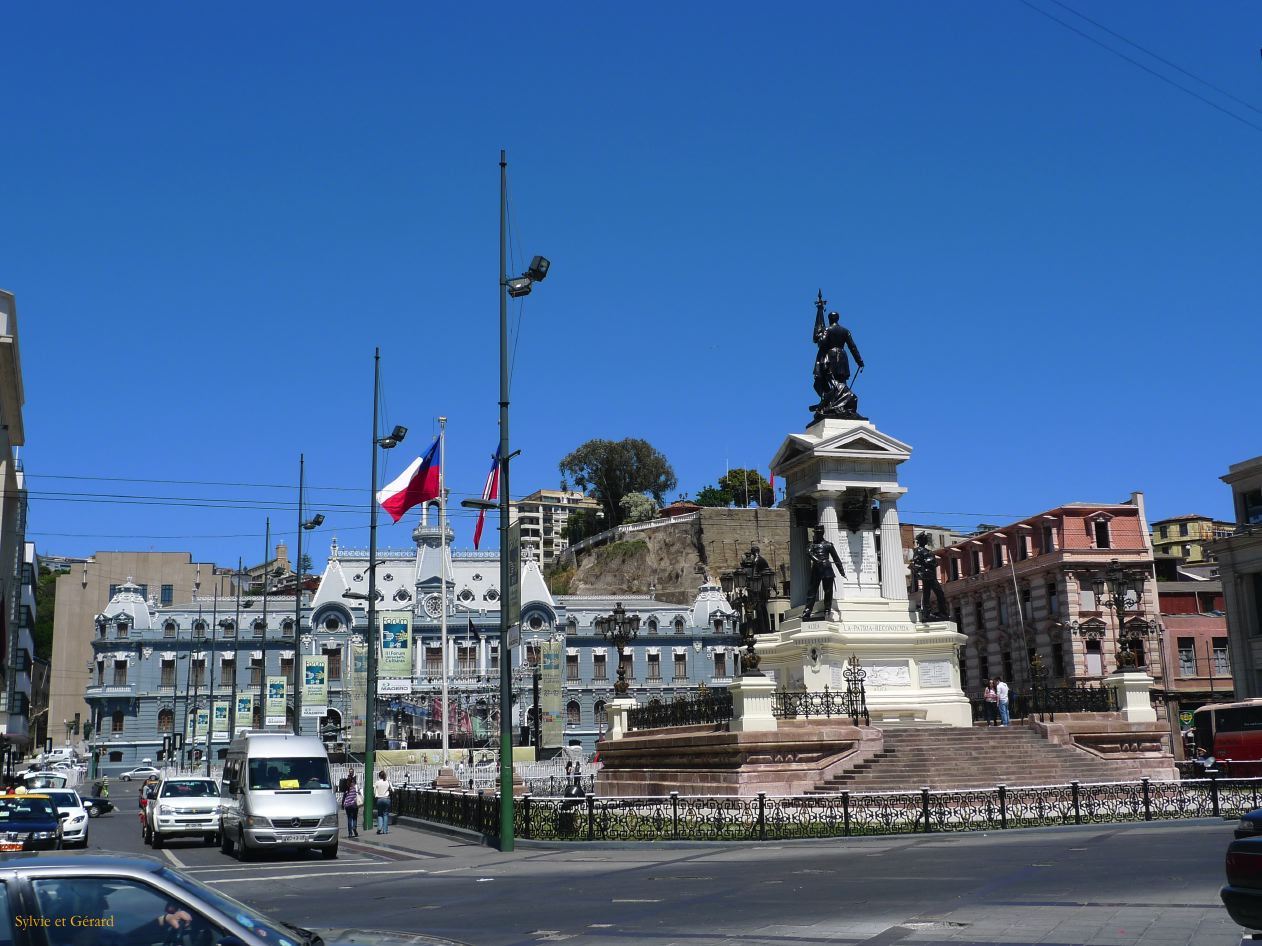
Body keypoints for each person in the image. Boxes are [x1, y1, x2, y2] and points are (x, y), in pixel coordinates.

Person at [802, 526, 846, 621]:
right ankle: (807, 611)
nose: (817, 535)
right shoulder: (812, 545)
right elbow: (808, 552)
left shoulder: (828, 545)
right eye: (816, 533)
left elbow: (836, 559)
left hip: (826, 569)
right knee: (811, 592)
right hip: (816, 569)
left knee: (828, 591)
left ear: (822, 534)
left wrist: (841, 571)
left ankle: (827, 610)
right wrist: (817, 560)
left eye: (818, 533)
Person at [340, 773, 360, 838]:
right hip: (354, 804)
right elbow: (358, 794)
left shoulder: (346, 789)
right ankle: (354, 827)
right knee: (354, 817)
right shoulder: (354, 788)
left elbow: (344, 797)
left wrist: (342, 804)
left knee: (349, 818)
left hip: (347, 805)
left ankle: (350, 833)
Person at [374, 769, 392, 834]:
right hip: (387, 799)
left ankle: (379, 828)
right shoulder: (387, 782)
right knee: (386, 814)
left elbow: (374, 791)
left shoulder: (377, 782)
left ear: (379, 776)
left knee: (380, 814)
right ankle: (385, 830)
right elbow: (393, 790)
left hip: (379, 799)